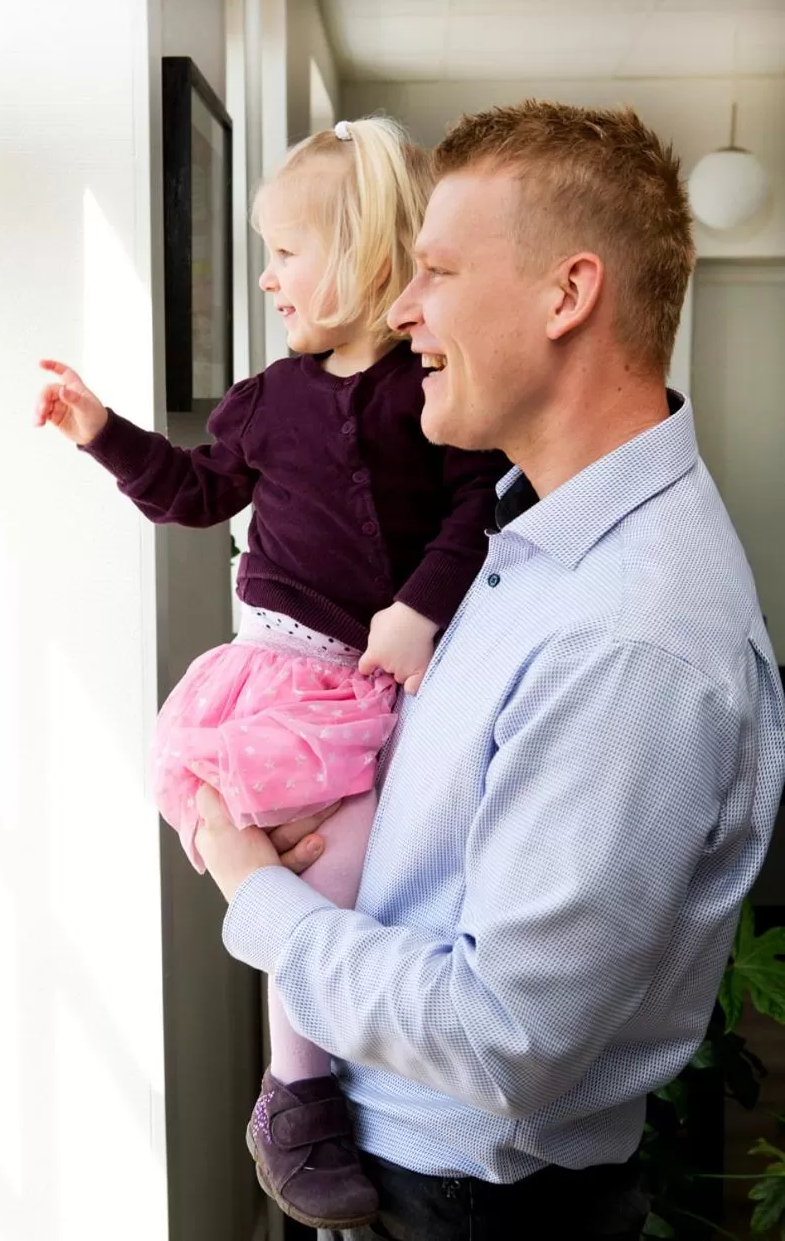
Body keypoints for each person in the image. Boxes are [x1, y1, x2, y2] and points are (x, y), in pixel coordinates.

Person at [192, 100, 785, 1241]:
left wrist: (251, 888)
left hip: (463, 1206)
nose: (401, 310)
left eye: (438, 270)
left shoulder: (630, 637)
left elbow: (499, 1035)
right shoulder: (527, 532)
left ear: (567, 296)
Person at [34, 115, 508, 1232]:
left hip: (380, 682)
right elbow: (196, 494)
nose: (266, 276)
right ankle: (297, 1095)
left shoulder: (425, 393)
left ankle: (327, 1083)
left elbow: (474, 511)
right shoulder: (265, 397)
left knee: (364, 876)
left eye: (286, 253)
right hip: (281, 679)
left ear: (360, 253)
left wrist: (416, 607)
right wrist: (106, 433)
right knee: (298, 879)